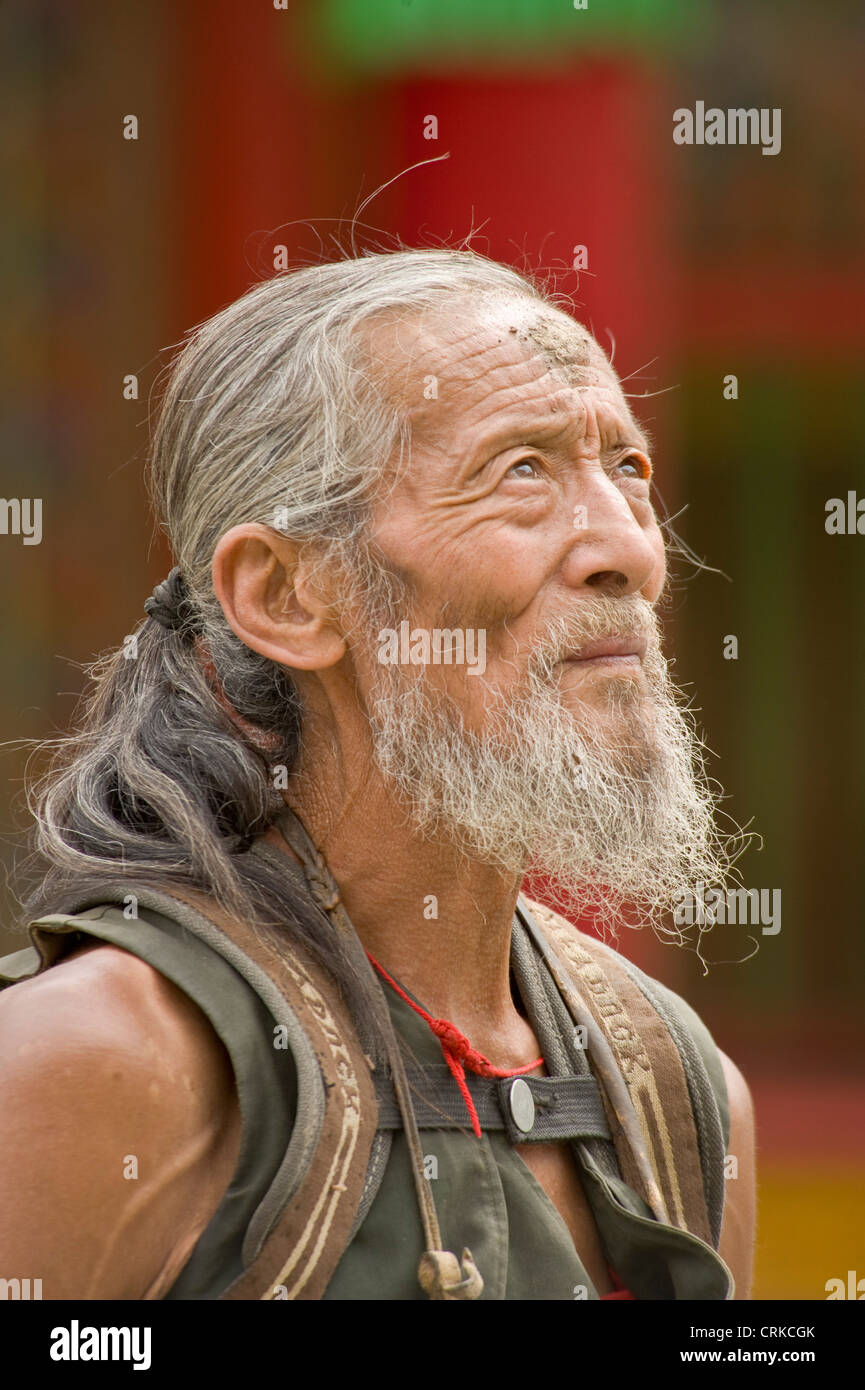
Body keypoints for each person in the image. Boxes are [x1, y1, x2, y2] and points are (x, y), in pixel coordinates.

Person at [0, 248, 755, 1301]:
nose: (627, 547)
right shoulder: (91, 1064)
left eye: (626, 468)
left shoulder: (675, 1093)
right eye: (521, 471)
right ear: (288, 596)